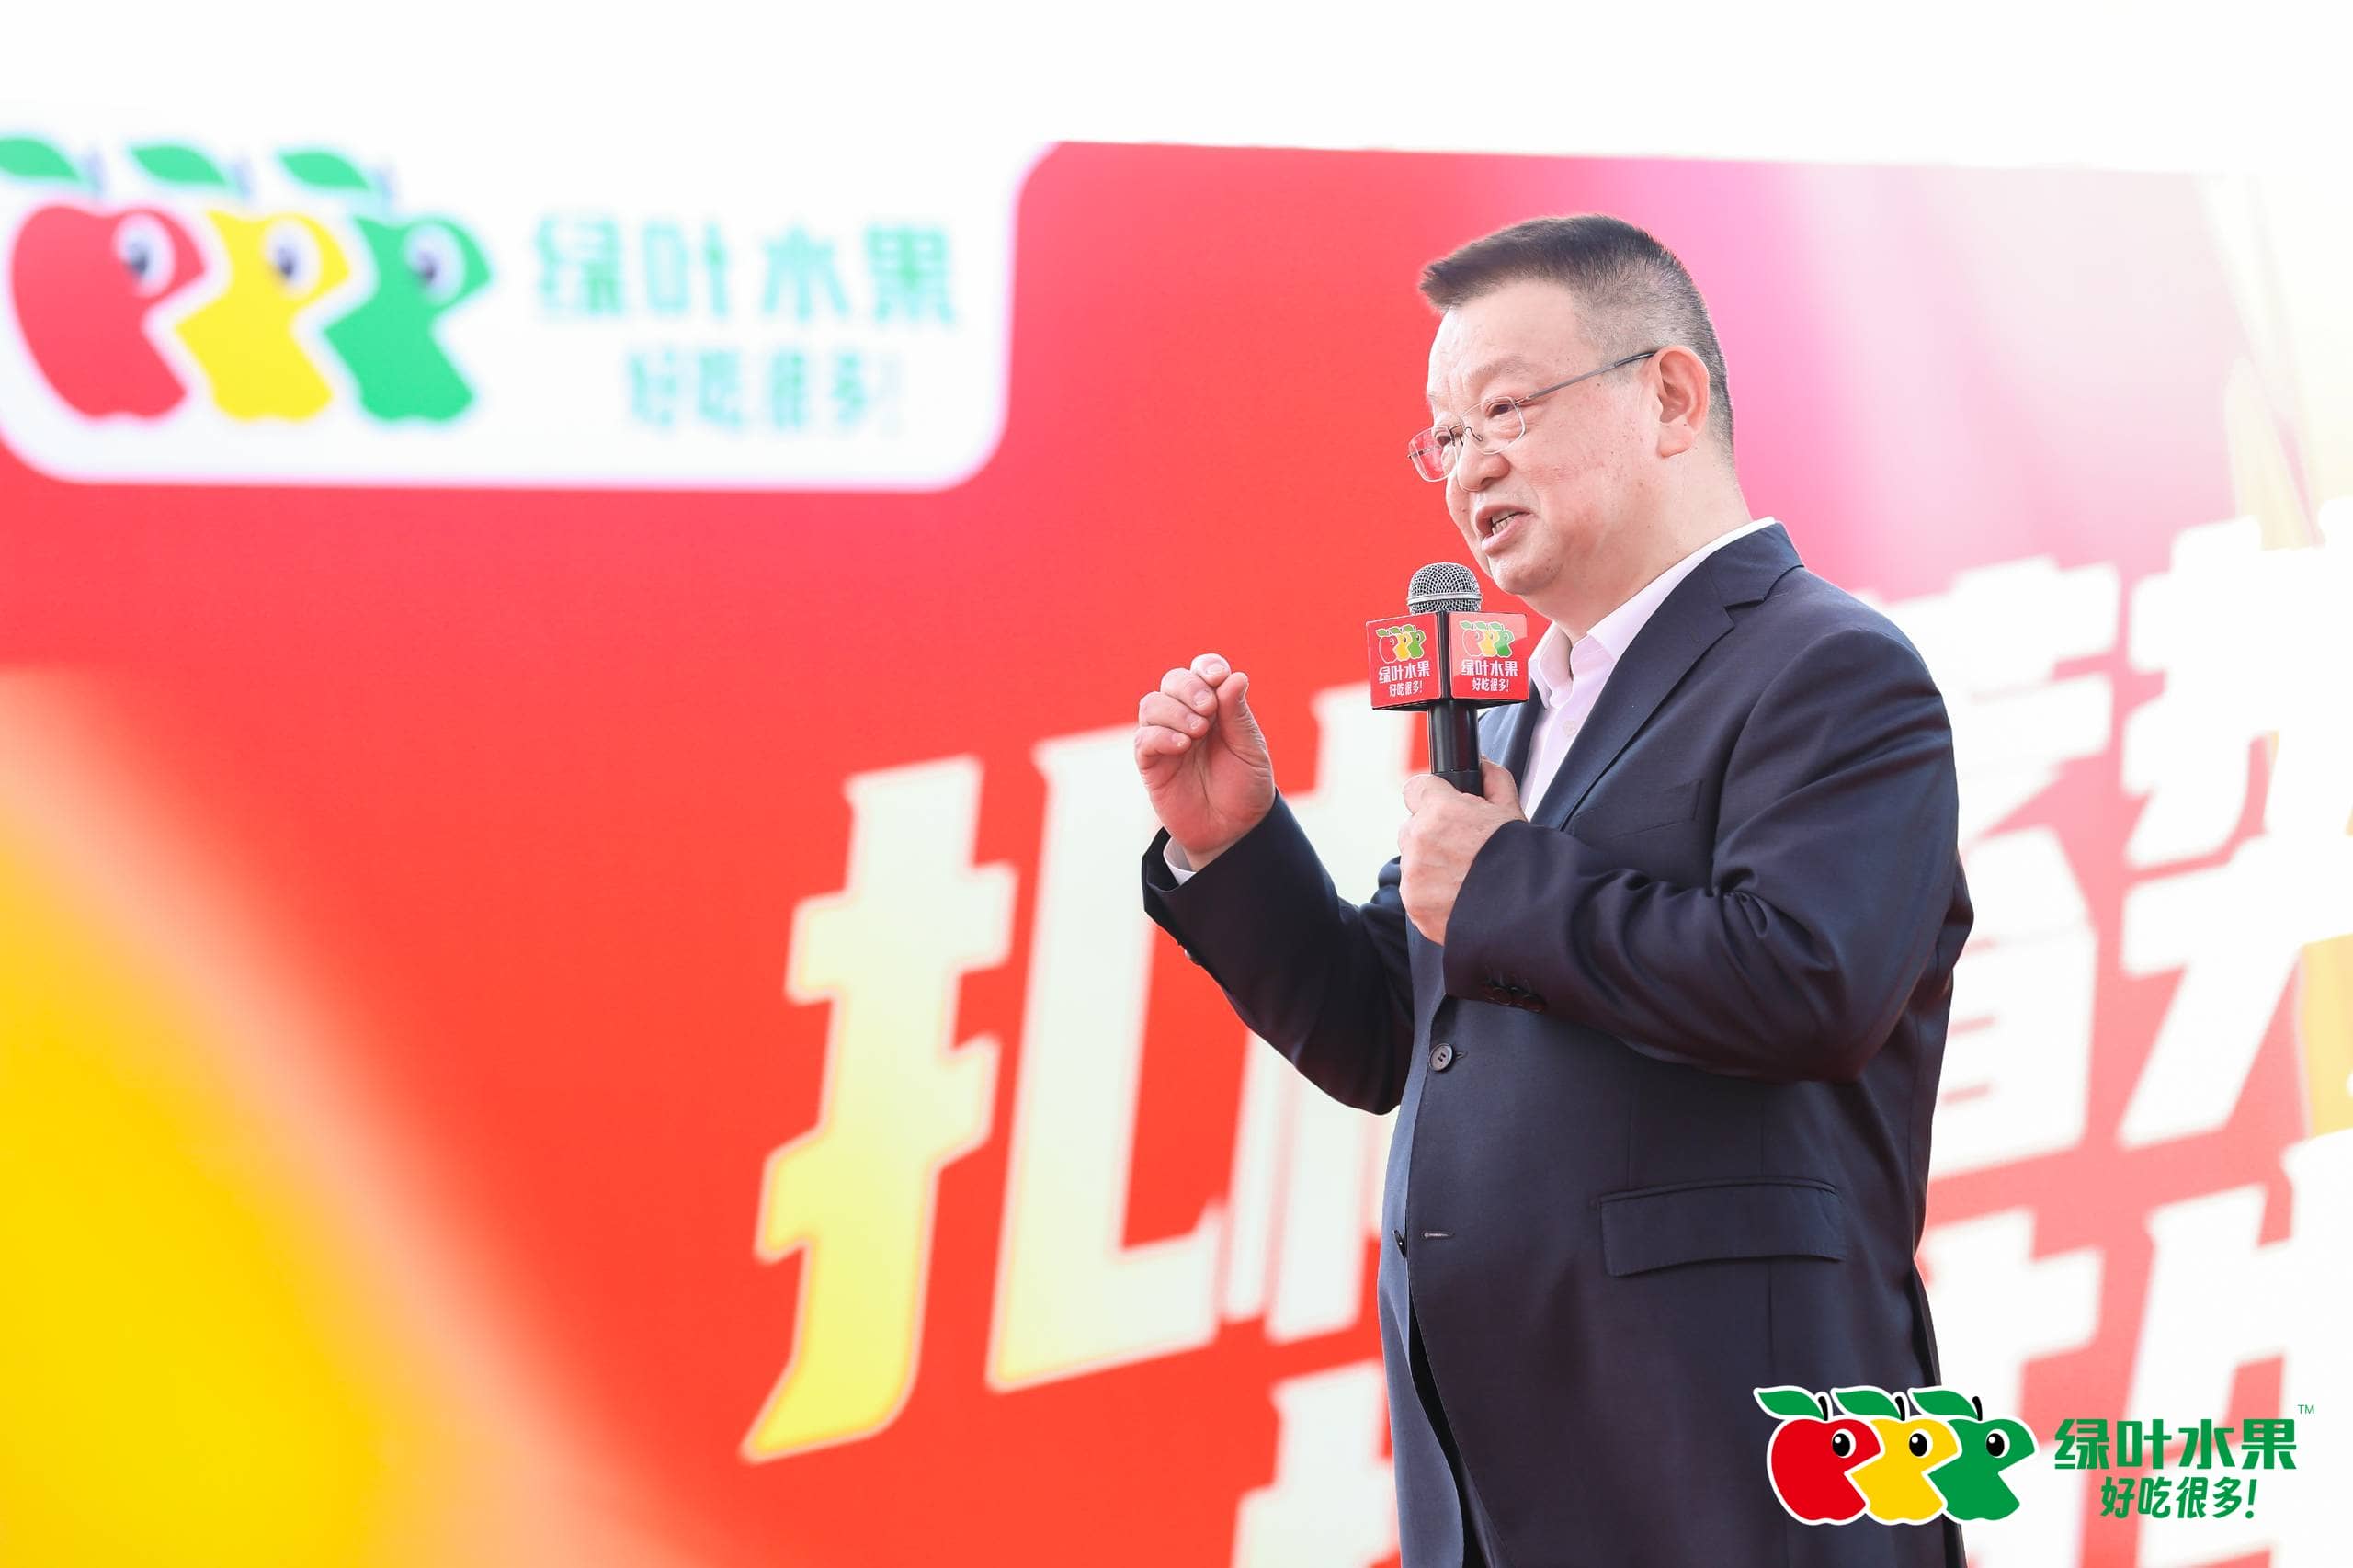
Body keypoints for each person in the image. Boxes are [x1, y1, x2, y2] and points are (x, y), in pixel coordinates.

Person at [1131, 215, 1973, 1568]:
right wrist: (1236, 848)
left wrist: (1506, 882)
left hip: (1727, 1468)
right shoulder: (1521, 712)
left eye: (1506, 409)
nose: (1469, 464)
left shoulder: (1829, 667)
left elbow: (1809, 980)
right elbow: (1393, 1029)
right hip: (1501, 1484)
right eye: (1445, 435)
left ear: (1671, 397)